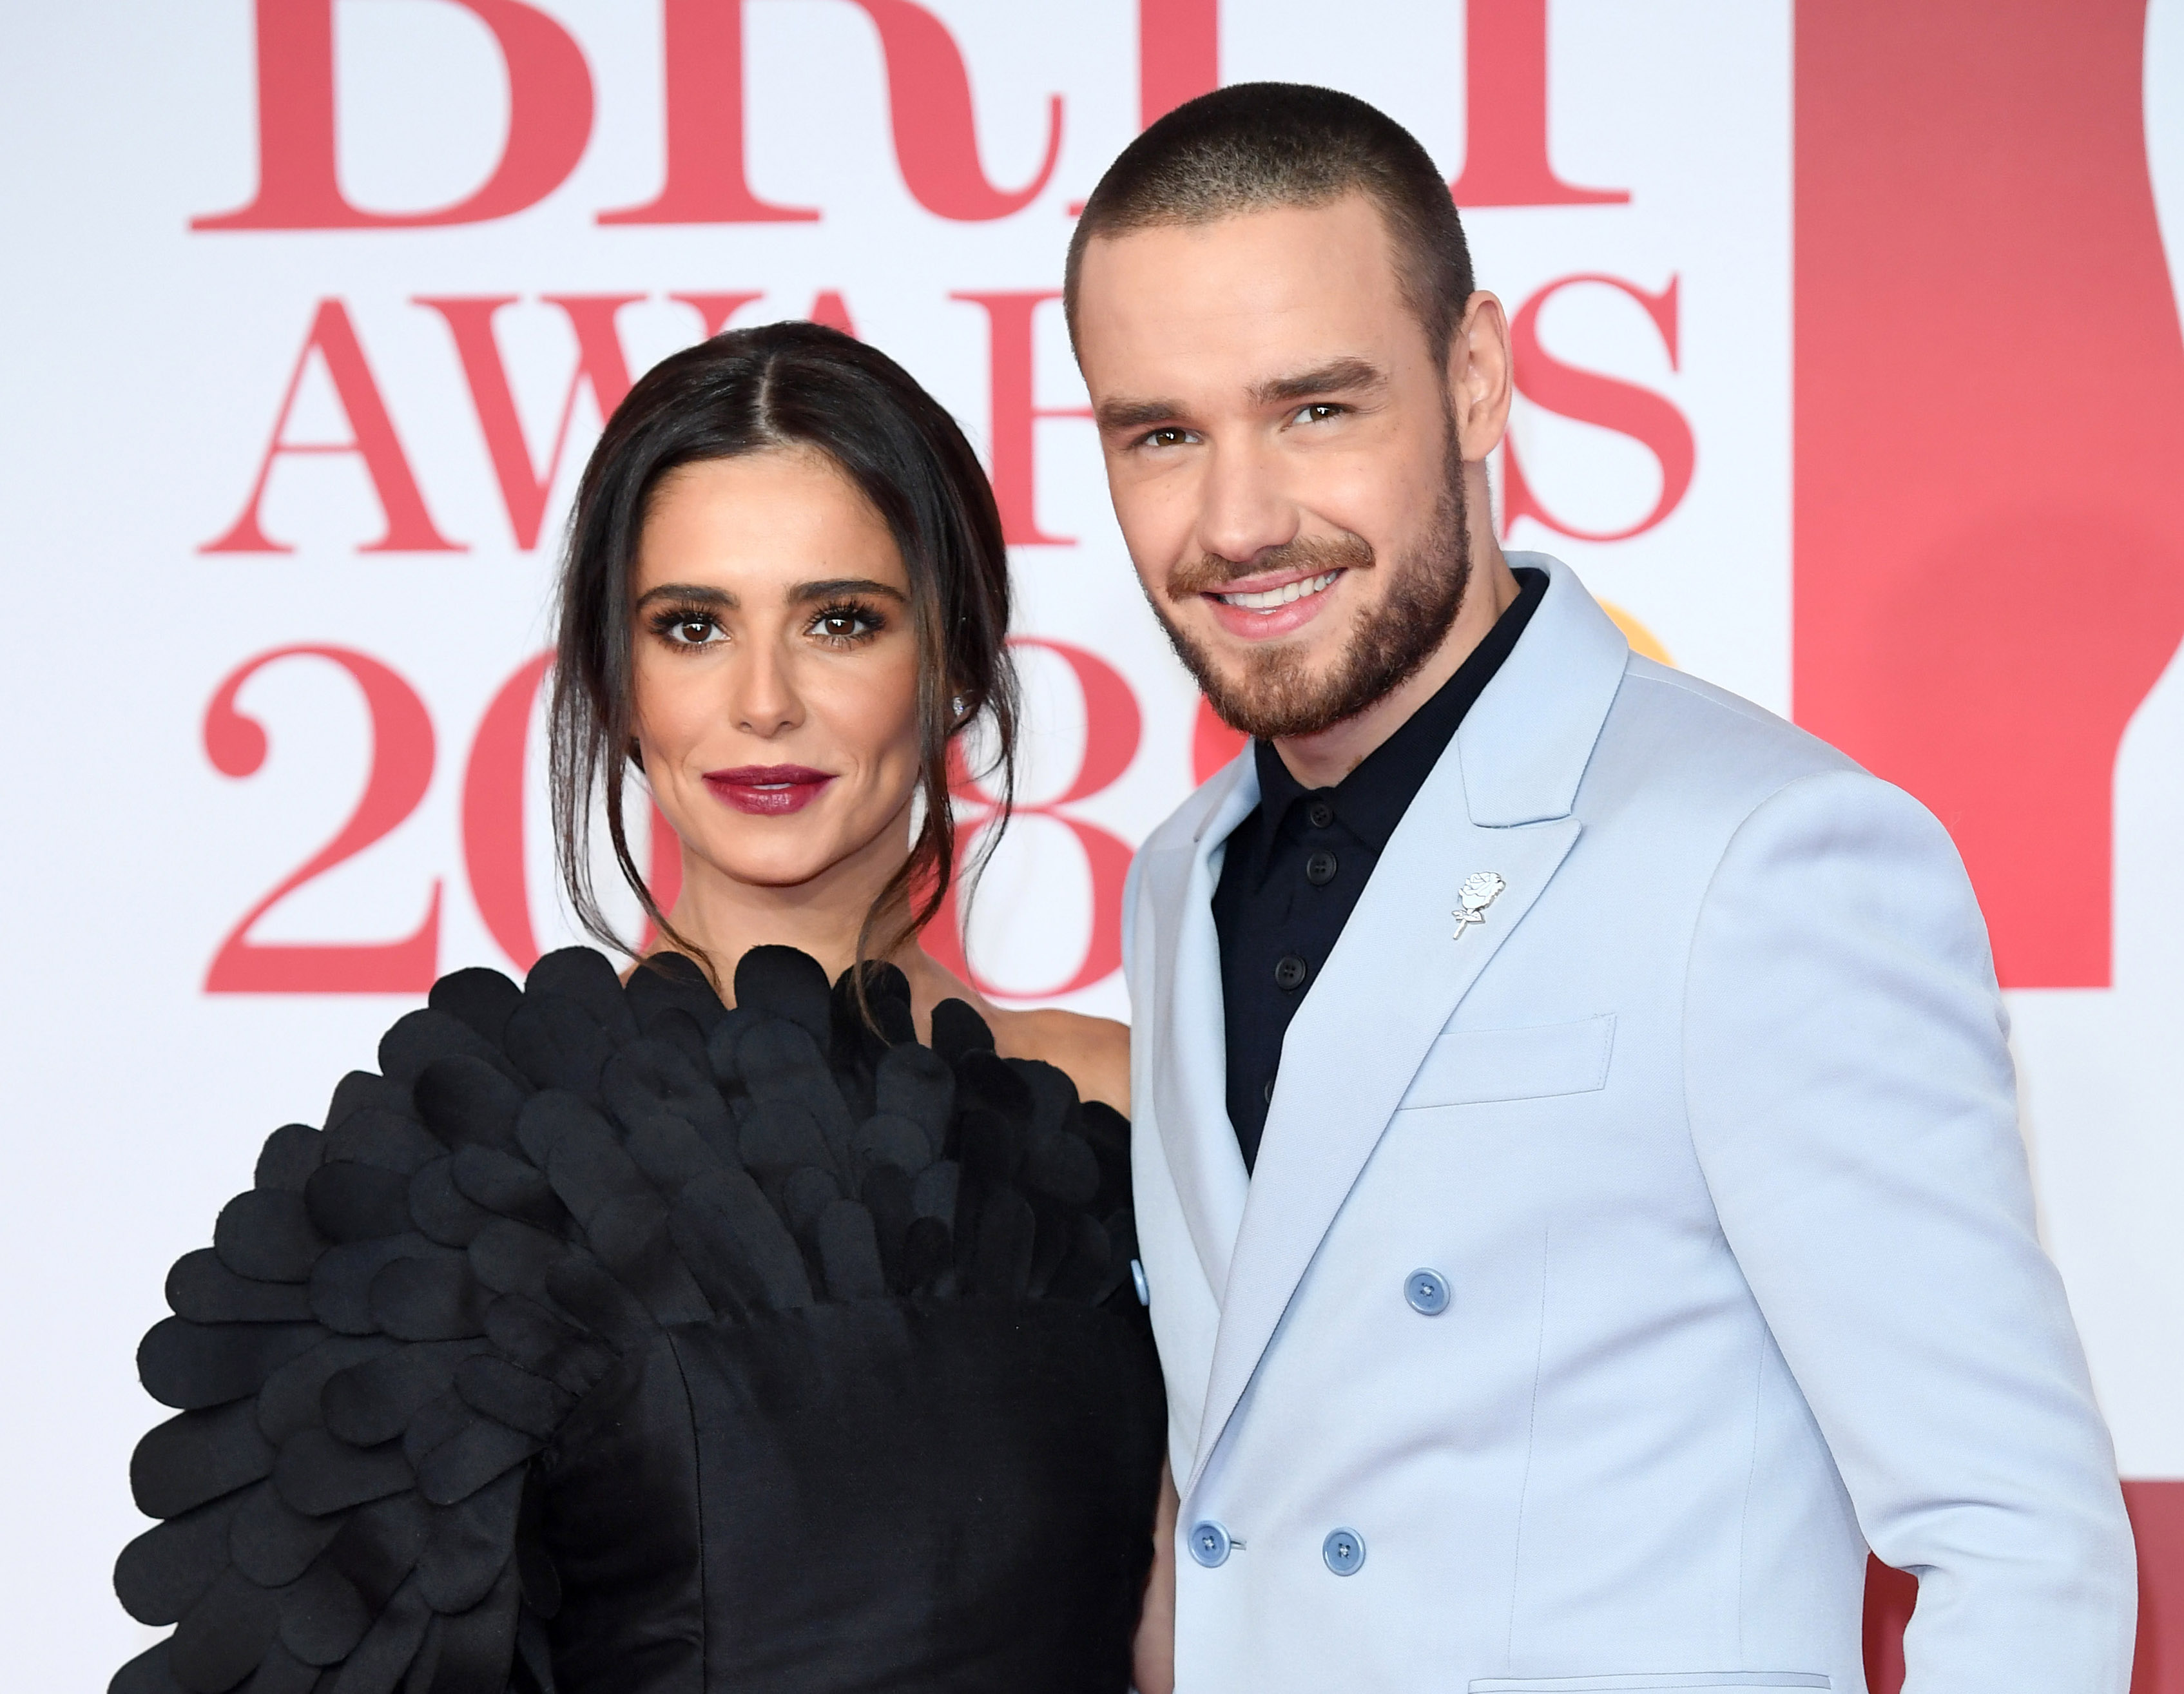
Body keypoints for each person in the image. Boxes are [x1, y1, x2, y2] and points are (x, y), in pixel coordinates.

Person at [1068, 82, 2136, 1691]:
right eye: (1163, 433)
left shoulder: (1764, 854)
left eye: (1316, 410)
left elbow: (2018, 1545)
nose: (1237, 520)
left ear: (1477, 378)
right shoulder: (1177, 879)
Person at [109, 322, 1172, 1694]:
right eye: (693, 626)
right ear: (615, 682)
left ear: (958, 661)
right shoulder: (466, 1178)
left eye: (840, 620)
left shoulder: (1144, 1114)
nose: (765, 702)